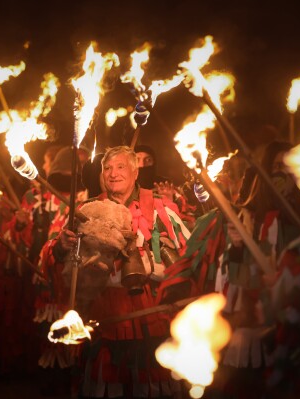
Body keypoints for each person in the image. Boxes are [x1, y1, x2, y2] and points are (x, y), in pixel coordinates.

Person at [43, 145, 191, 398]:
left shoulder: (161, 209)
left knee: (153, 387)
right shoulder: (87, 210)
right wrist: (61, 247)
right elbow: (52, 259)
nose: (113, 174)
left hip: (152, 316)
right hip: (107, 317)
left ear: (135, 172)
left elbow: (189, 259)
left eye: (121, 167)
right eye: (107, 168)